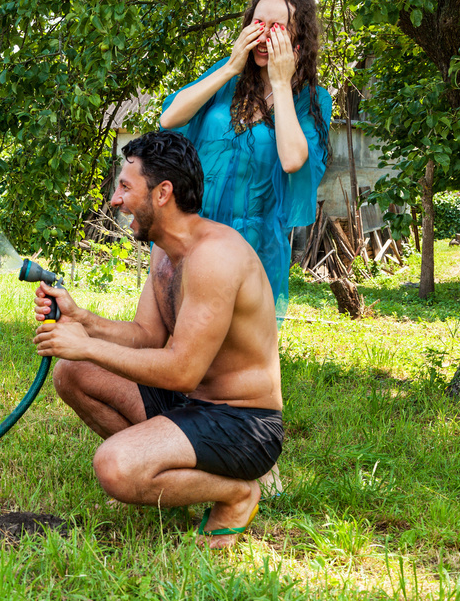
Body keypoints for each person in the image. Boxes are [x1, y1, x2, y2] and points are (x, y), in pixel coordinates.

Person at [32, 131, 283, 548]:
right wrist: (83, 320)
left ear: (163, 192)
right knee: (73, 372)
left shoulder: (215, 257)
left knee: (114, 467)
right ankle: (177, 479)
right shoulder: (164, 251)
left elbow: (182, 370)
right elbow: (146, 336)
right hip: (192, 406)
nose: (115, 199)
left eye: (125, 187)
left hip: (243, 423)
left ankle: (237, 493)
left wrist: (88, 344)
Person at [159, 0, 332, 323]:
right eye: (257, 22)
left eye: (277, 27)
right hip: (191, 230)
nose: (263, 35)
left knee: (224, 355)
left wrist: (281, 84)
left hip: (249, 247)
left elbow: (294, 160)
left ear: (299, 38)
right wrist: (229, 68)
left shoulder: (312, 100)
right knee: (170, 335)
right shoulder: (227, 76)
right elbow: (170, 117)